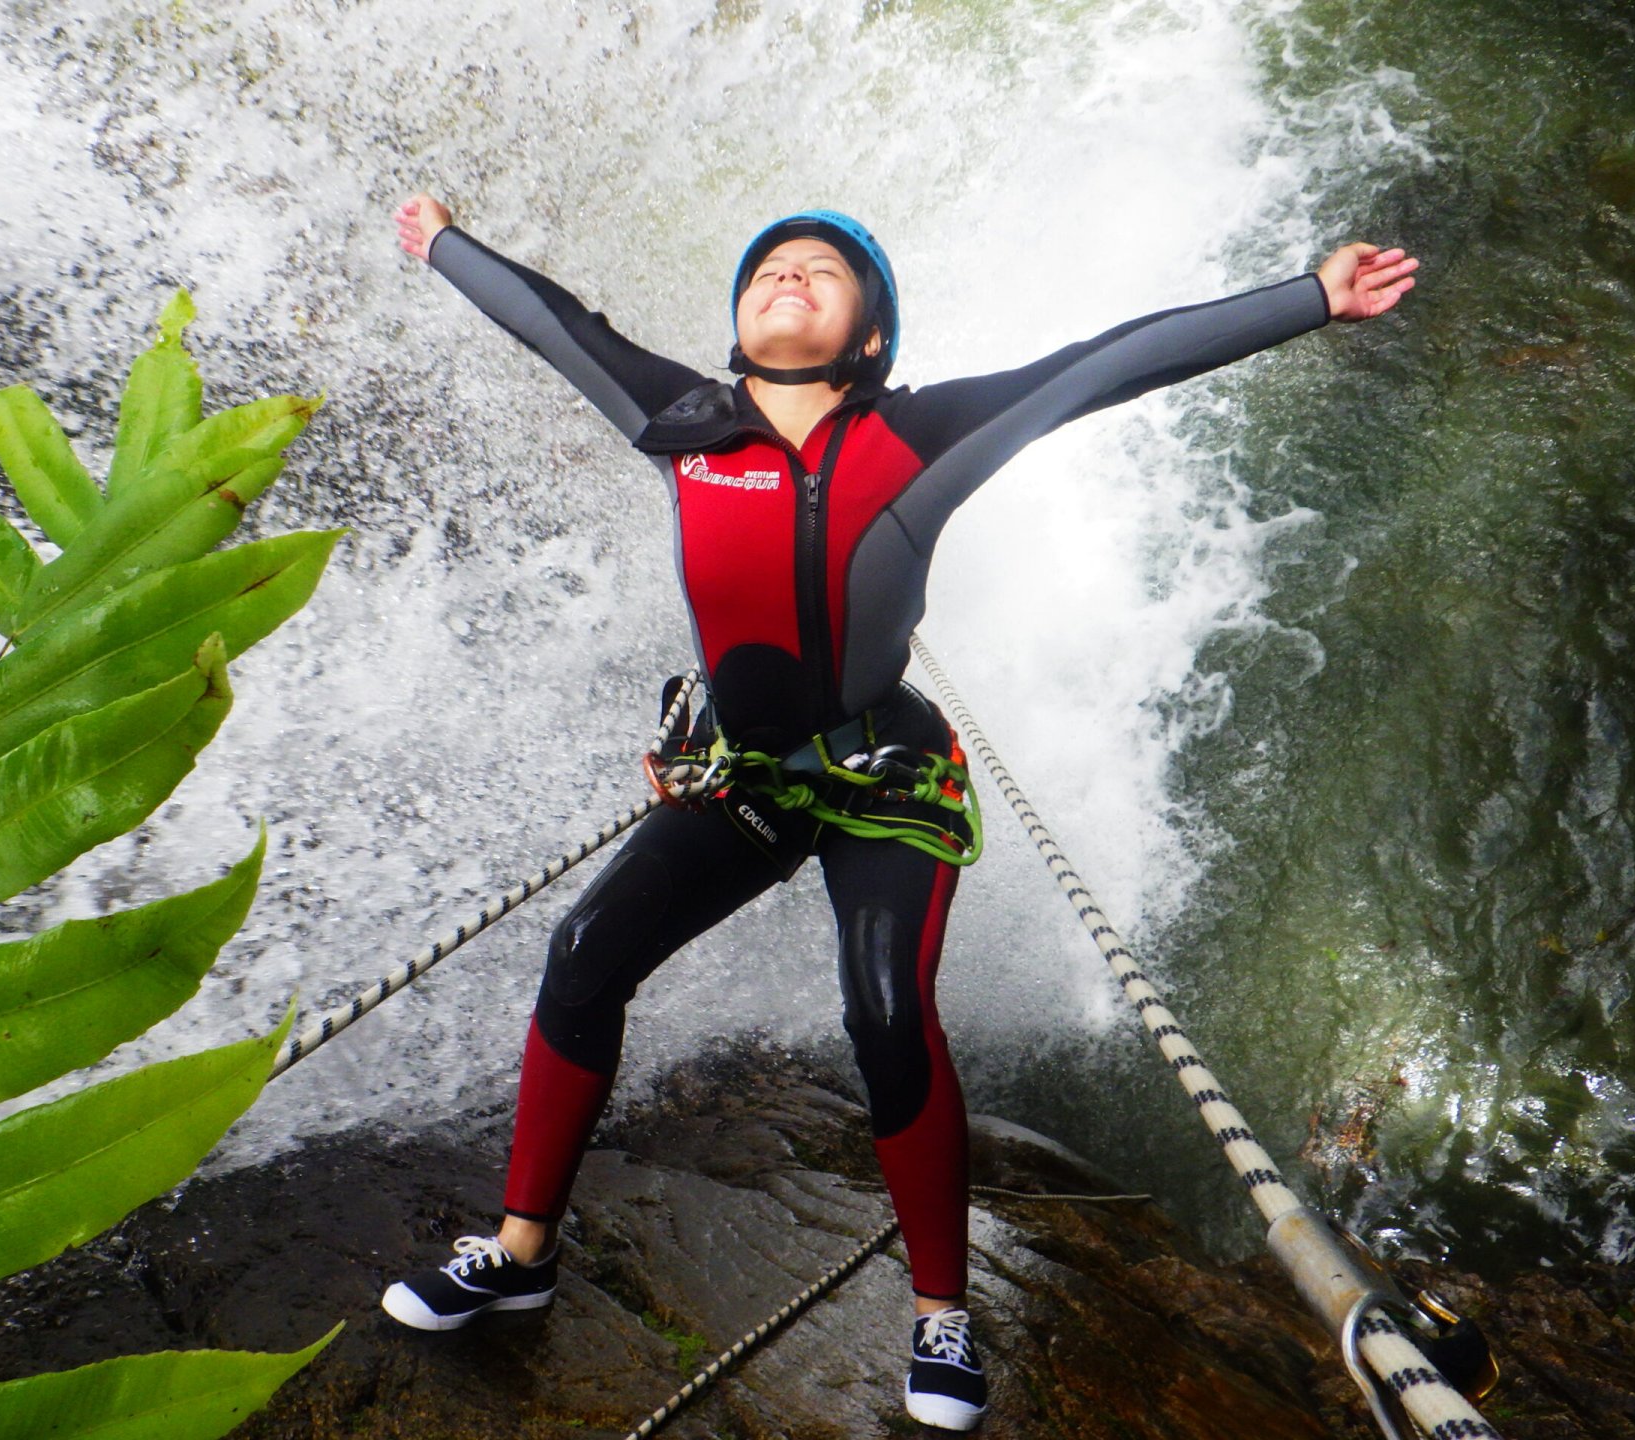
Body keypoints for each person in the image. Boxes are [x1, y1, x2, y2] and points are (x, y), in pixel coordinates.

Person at [379, 193, 1417, 1432]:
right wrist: (440, 240)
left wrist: (1313, 297)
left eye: (825, 272)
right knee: (587, 952)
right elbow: (553, 326)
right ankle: (523, 1249)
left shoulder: (921, 434)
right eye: (770, 268)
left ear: (870, 337)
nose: (791, 277)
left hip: (888, 783)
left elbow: (1105, 364)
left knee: (882, 1008)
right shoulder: (679, 417)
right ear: (739, 319)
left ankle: (940, 1315)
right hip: (748, 777)